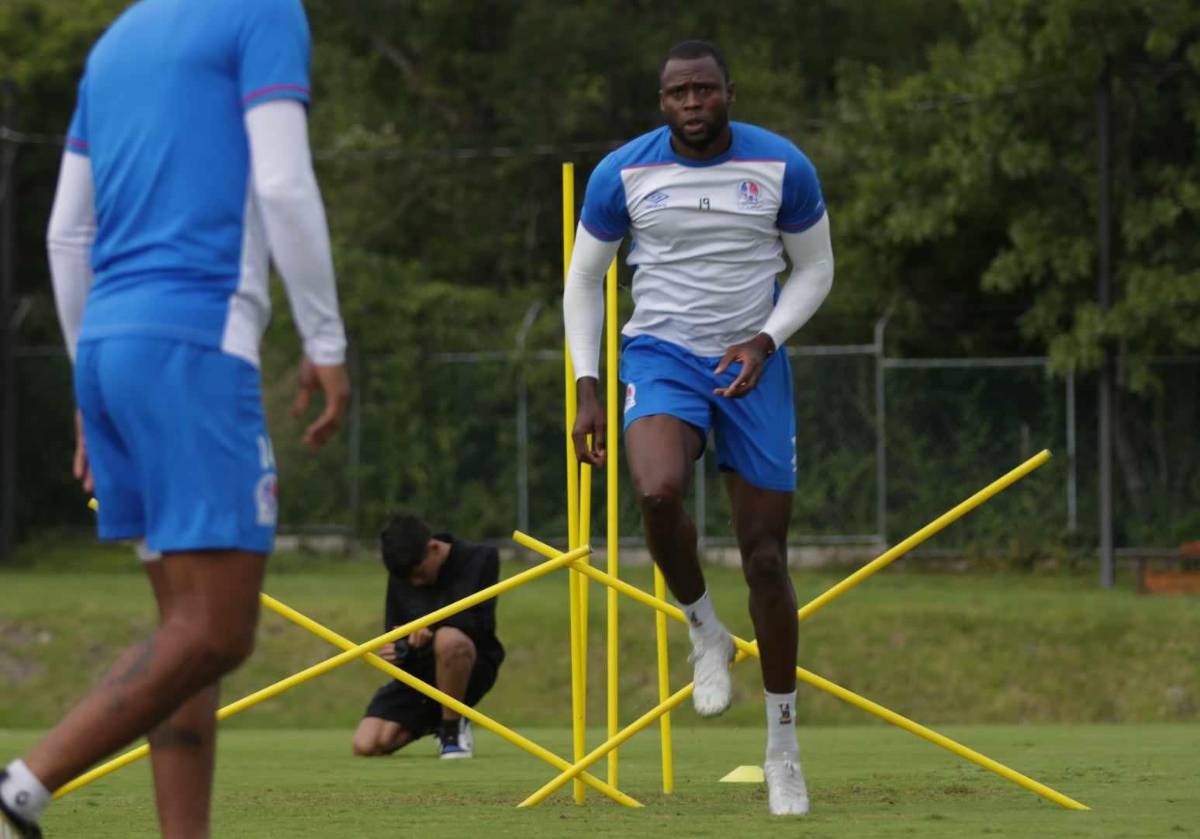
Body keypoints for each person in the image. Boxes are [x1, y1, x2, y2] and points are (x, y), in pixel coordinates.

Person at [1, 1, 349, 837]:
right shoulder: (262, 12)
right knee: (218, 631)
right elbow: (283, 182)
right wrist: (326, 339)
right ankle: (18, 792)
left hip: (109, 348)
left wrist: (86, 385)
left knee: (185, 638)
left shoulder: (116, 41)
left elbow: (66, 234)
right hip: (193, 344)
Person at [562, 40, 835, 816]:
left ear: (728, 93)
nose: (692, 102)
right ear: (662, 101)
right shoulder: (622, 173)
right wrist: (587, 387)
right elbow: (584, 280)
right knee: (656, 491)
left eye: (705, 89)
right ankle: (704, 629)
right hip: (662, 355)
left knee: (766, 558)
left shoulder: (783, 166)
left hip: (753, 359)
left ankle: (783, 750)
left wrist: (766, 340)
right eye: (678, 91)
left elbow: (816, 268)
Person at [351, 514, 505, 760]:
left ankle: (452, 729)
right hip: (420, 670)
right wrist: (397, 650)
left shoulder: (481, 558)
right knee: (368, 745)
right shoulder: (403, 570)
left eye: (420, 574)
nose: (415, 583)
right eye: (409, 579)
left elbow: (479, 623)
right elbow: (394, 630)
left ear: (434, 548)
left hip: (470, 663)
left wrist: (430, 628)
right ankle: (439, 719)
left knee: (449, 639)